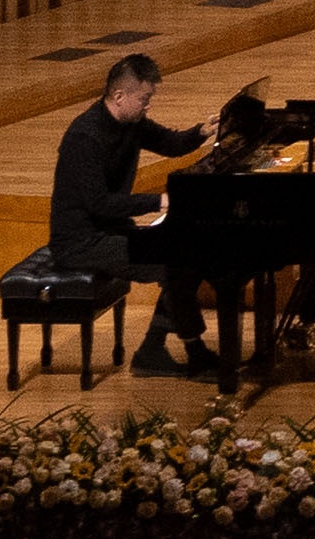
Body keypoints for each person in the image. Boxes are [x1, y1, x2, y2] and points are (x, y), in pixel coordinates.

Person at [47, 53, 210, 376]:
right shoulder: (85, 137)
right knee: (177, 263)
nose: (148, 105)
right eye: (144, 99)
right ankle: (187, 351)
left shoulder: (131, 123)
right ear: (119, 96)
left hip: (112, 231)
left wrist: (202, 131)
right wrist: (159, 202)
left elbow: (171, 143)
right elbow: (99, 204)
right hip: (81, 242)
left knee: (188, 256)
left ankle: (154, 350)